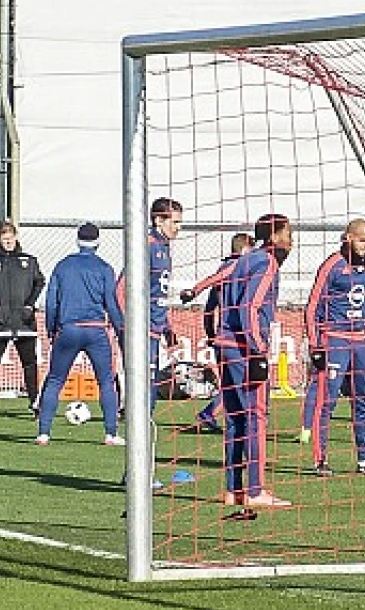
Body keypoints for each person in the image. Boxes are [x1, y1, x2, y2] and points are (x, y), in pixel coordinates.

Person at [302, 218, 365, 476]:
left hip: (361, 342)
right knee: (327, 400)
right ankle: (320, 460)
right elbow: (313, 306)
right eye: (362, 240)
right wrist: (315, 345)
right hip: (334, 340)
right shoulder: (332, 266)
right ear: (348, 238)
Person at [215, 214, 295, 511]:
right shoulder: (267, 263)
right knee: (256, 417)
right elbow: (250, 307)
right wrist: (258, 347)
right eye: (288, 233)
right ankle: (256, 490)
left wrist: (196, 290)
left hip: (224, 344)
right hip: (243, 348)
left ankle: (233, 489)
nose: (291, 240)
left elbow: (219, 282)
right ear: (274, 237)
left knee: (235, 418)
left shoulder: (244, 260)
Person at [35, 224, 124, 446]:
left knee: (55, 380)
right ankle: (110, 434)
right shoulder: (104, 268)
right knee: (105, 381)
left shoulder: (63, 267)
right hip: (95, 329)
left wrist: (51, 329)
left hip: (68, 329)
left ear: (77, 241)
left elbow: (52, 301)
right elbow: (111, 304)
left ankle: (44, 433)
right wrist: (121, 329)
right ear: (97, 242)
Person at [180, 232, 254, 433]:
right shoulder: (237, 267)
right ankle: (217, 416)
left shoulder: (227, 270)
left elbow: (209, 308)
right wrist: (194, 290)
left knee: (230, 385)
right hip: (236, 338)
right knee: (244, 385)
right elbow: (211, 286)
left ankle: (211, 414)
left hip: (222, 337)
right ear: (246, 249)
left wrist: (211, 334)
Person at [0, 220, 45, 415]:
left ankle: (34, 402)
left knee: (29, 362)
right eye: (4, 239)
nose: (8, 242)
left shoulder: (29, 261)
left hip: (24, 322)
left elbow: (40, 284)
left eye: (10, 238)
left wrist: (30, 306)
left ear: (15, 237)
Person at [119, 197, 183, 412]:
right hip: (141, 328)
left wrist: (168, 328)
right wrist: (126, 323)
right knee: (144, 377)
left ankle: (142, 419)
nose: (178, 227)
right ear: (158, 220)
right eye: (174, 222)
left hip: (155, 327)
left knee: (151, 377)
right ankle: (135, 420)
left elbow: (158, 294)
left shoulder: (164, 249)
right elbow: (121, 288)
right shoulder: (146, 247)